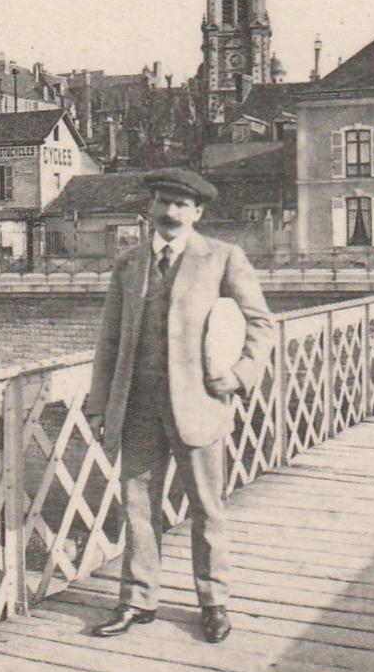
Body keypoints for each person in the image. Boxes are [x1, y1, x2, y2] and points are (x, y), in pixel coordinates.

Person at [83, 168, 276, 643]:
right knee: (137, 509)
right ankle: (137, 599)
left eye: (180, 205)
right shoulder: (128, 264)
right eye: (162, 203)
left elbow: (261, 324)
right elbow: (109, 340)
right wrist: (98, 403)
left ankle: (213, 602)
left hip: (200, 407)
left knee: (207, 509)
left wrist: (238, 375)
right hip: (138, 407)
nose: (169, 213)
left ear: (198, 213)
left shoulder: (223, 258)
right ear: (150, 208)